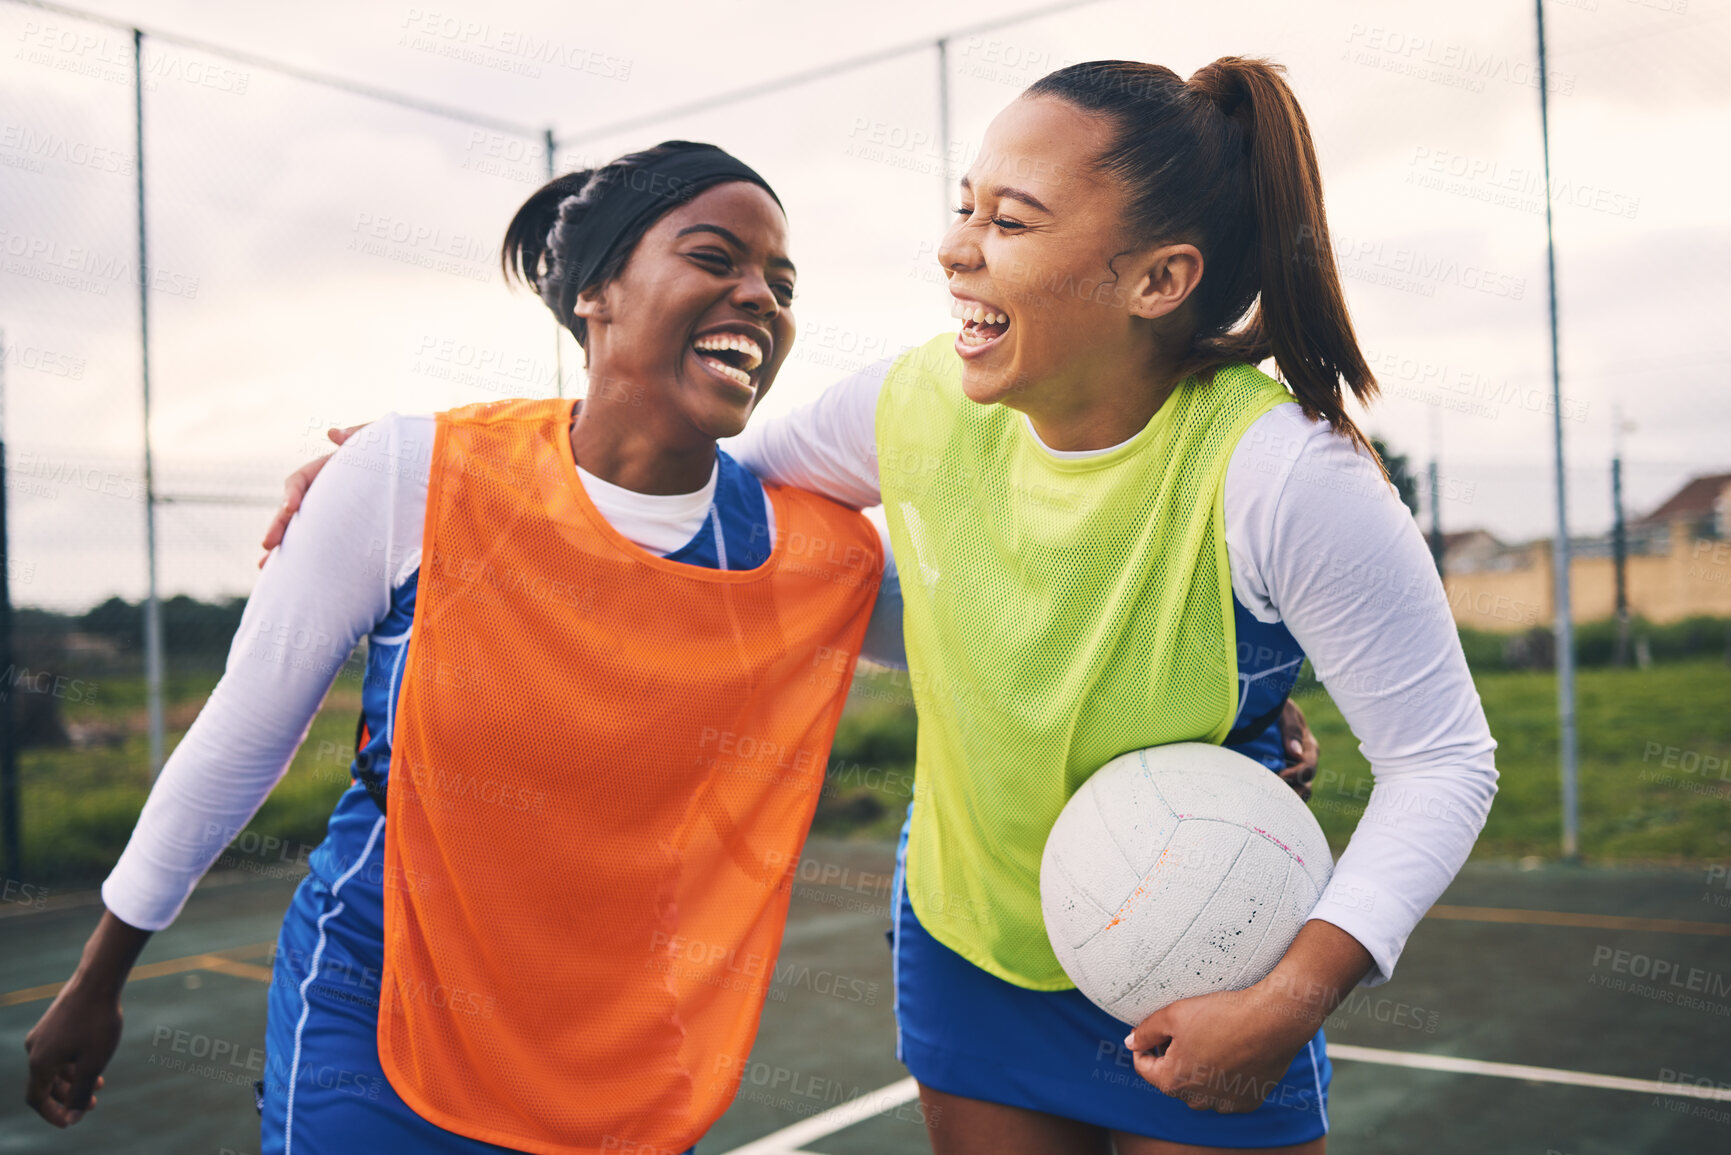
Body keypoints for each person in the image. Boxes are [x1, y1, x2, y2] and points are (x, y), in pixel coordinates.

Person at [24, 141, 898, 1155]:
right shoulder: (410, 475)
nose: (760, 297)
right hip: (377, 1007)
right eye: (716, 258)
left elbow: (970, 531)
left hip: (621, 1048)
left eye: (781, 284)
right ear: (598, 294)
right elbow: (243, 733)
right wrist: (100, 976)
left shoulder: (810, 554)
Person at [715, 58, 1499, 1154]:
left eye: (1014, 221)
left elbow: (1444, 762)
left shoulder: (1283, 474)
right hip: (969, 938)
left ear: (1158, 280)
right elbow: (731, 513)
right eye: (965, 207)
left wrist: (1289, 1000)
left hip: (1208, 955)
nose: (955, 248)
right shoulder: (913, 401)